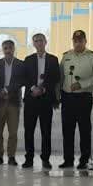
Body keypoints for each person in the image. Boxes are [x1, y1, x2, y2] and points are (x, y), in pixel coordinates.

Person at [58, 30, 93, 170]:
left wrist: (82, 84)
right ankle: (68, 159)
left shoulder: (92, 57)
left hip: (83, 97)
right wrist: (58, 94)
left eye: (80, 41)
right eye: (75, 41)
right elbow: (60, 76)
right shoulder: (66, 56)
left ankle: (84, 160)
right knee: (67, 130)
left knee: (84, 129)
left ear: (85, 41)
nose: (77, 44)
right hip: (67, 97)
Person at [21, 33, 60, 169]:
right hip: (31, 99)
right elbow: (24, 77)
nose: (39, 43)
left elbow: (56, 78)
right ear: (33, 44)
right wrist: (33, 88)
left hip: (46, 99)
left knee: (46, 131)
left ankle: (45, 159)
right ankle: (29, 159)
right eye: (36, 41)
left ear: (45, 42)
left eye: (41, 40)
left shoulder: (53, 59)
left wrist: (42, 89)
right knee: (29, 131)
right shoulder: (28, 59)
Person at [0, 39, 25, 166]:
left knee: (13, 132)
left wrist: (7, 90)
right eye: (5, 48)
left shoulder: (20, 64)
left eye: (10, 48)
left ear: (14, 49)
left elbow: (21, 81)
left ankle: (11, 157)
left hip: (14, 102)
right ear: (2, 49)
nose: (8, 50)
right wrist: (0, 90)